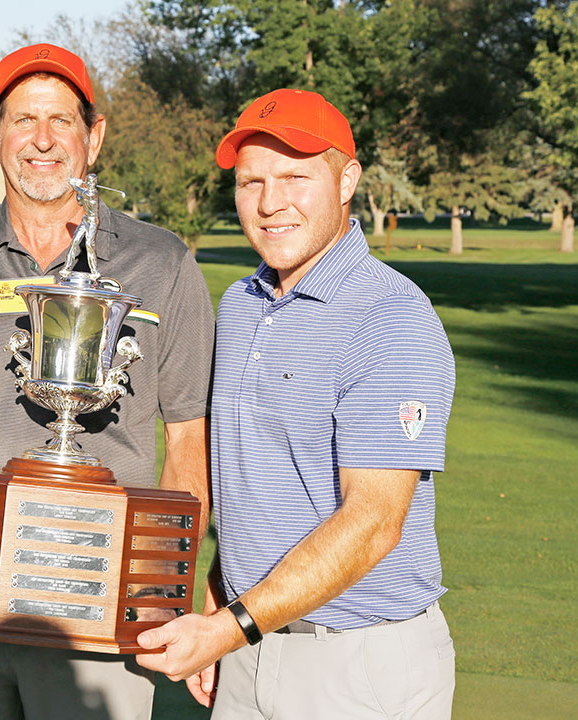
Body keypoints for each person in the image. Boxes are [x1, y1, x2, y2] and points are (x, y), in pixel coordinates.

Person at [0, 43, 214, 720]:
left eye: (62, 120)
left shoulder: (163, 263)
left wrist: (158, 584)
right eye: (23, 119)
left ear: (94, 137)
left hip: (99, 607)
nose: (41, 140)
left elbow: (187, 441)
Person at [137, 88, 457, 719]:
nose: (269, 202)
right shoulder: (239, 305)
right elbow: (260, 478)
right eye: (250, 180)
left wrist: (228, 628)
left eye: (294, 177)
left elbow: (372, 523)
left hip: (359, 664)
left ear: (347, 181)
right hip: (251, 643)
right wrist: (216, 591)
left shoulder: (391, 317)